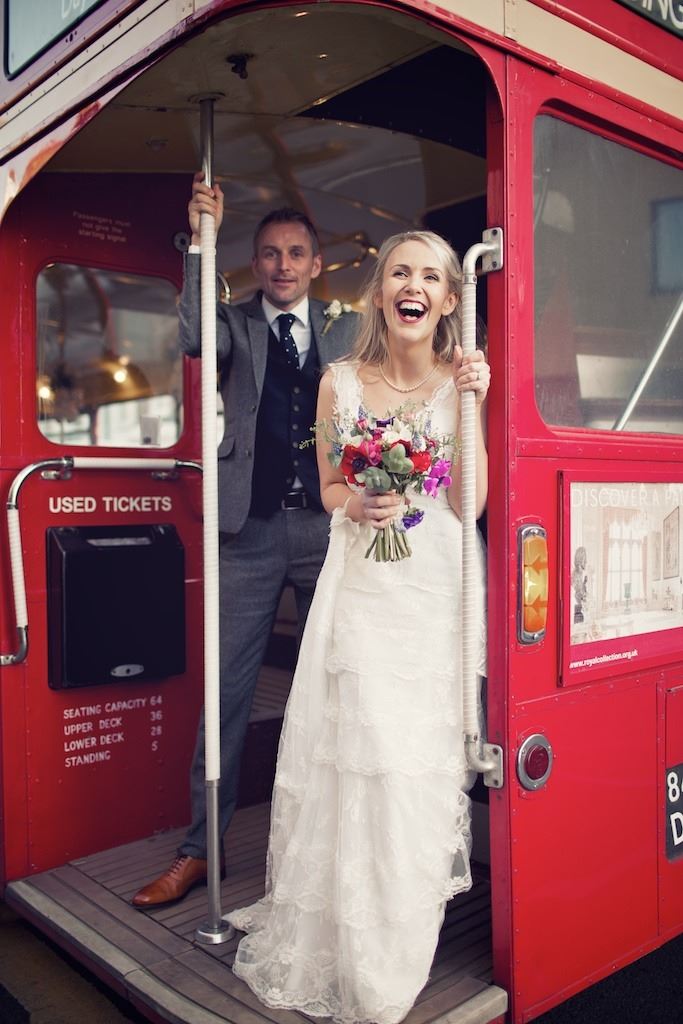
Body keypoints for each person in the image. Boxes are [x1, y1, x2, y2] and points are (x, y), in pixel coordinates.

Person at [225, 230, 490, 1023]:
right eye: (399, 273)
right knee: (362, 753)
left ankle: (399, 936)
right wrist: (361, 501)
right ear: (379, 293)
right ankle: (351, 938)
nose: (413, 286)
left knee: (418, 763)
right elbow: (331, 490)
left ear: (448, 300)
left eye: (430, 277)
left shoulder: (461, 379)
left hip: (434, 590)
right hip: (364, 590)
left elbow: (467, 503)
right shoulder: (338, 382)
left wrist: (473, 404)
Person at [132, 175, 359, 908]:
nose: (282, 266)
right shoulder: (231, 322)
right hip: (250, 531)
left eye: (295, 253)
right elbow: (193, 337)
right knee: (225, 693)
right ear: (254, 262)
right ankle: (200, 850)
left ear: (317, 263)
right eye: (269, 254)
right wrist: (202, 241)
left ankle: (331, 851)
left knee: (338, 689)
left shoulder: (348, 328)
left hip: (328, 528)